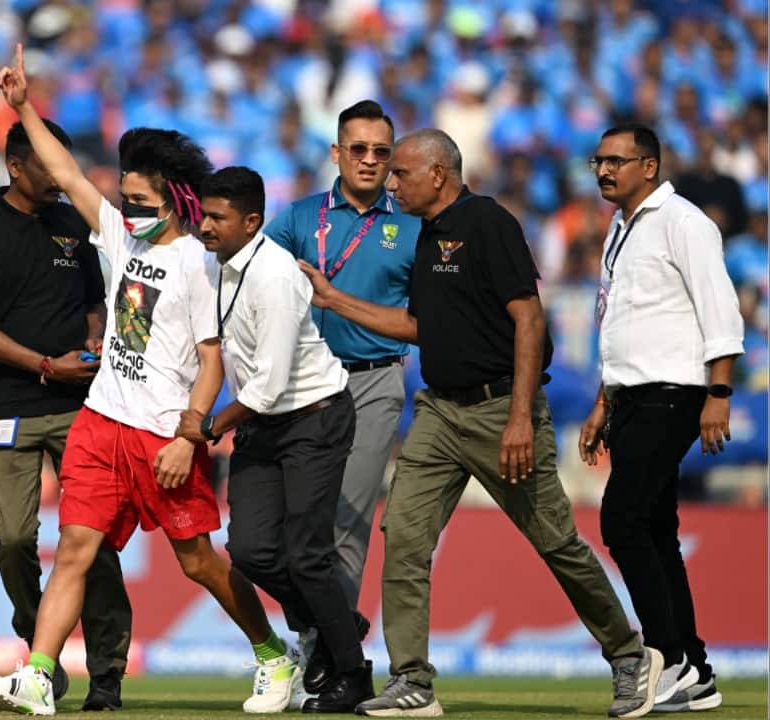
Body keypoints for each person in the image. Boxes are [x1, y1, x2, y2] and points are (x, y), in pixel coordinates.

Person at [299, 129, 662, 718]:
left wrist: (520, 417)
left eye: (402, 174)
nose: (392, 183)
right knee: (406, 538)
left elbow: (529, 319)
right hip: (440, 412)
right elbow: (422, 326)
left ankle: (628, 655)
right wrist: (334, 300)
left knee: (556, 542)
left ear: (439, 174)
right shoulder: (426, 237)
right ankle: (412, 680)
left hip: (501, 410)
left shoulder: (489, 223)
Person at [0, 45, 294, 716]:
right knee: (73, 552)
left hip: (161, 436)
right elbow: (65, 168)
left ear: (175, 200)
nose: (129, 205)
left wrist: (189, 437)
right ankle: (37, 675)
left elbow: (213, 362)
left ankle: (273, 654)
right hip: (100, 422)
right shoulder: (121, 238)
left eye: (141, 198)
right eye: (125, 195)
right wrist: (25, 105)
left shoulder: (201, 268)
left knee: (199, 562)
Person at [0, 116, 133, 709]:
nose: (59, 178)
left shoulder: (73, 226)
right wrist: (45, 365)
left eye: (63, 166)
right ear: (14, 166)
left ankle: (107, 671)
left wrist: (95, 343)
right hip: (6, 406)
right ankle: (40, 651)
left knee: (92, 542)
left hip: (81, 406)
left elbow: (93, 306)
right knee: (8, 537)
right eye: (48, 167)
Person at [176, 166, 373, 714]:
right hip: (265, 424)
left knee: (307, 555)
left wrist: (210, 425)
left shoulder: (276, 277)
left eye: (218, 217)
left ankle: (353, 675)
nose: (206, 225)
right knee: (251, 551)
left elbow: (270, 383)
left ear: (253, 221)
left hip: (314, 416)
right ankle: (338, 622)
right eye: (204, 213)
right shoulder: (219, 267)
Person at [579, 123, 743, 713]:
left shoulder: (686, 223)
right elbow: (618, 323)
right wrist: (602, 403)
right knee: (654, 530)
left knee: (621, 521)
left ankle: (666, 656)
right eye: (598, 160)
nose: (603, 170)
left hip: (674, 392)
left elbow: (719, 309)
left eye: (615, 161)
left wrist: (718, 392)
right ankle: (695, 668)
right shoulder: (619, 230)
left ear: (649, 166)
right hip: (630, 396)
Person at [262, 100, 422, 682]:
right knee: (283, 532)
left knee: (345, 523)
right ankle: (324, 628)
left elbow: (429, 314)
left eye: (382, 151)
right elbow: (246, 283)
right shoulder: (298, 219)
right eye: (358, 148)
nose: (369, 160)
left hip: (374, 379)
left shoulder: (410, 225)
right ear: (336, 153)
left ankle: (326, 659)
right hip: (302, 385)